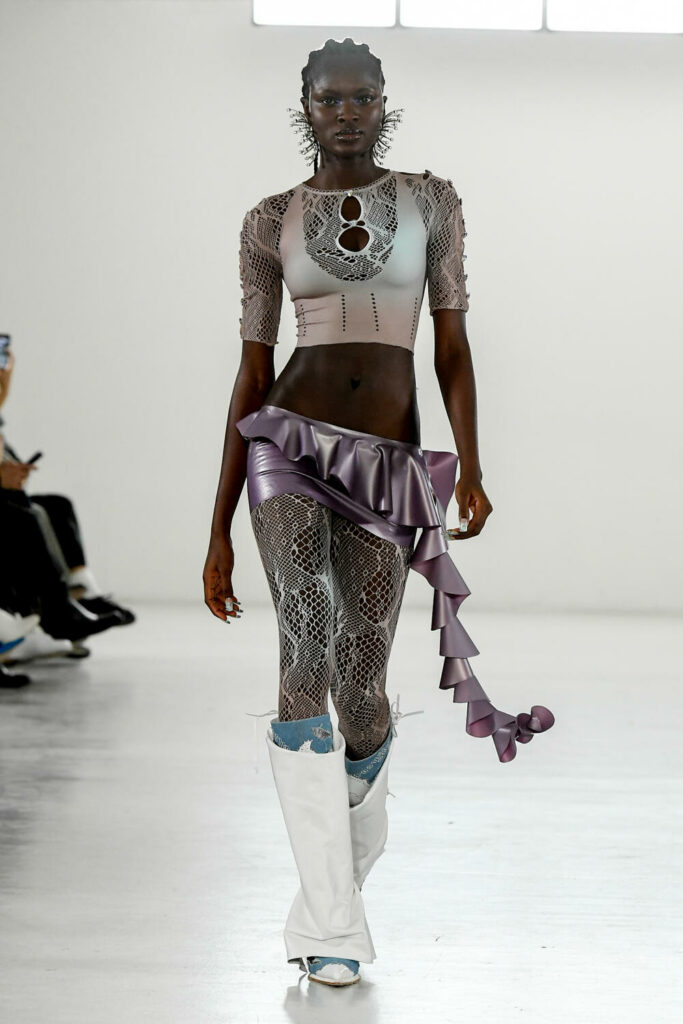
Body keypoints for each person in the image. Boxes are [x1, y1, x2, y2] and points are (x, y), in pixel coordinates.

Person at [203, 38, 555, 988]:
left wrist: (469, 462)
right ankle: (333, 928)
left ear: (383, 104)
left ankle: (330, 903)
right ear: (306, 106)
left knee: (361, 686)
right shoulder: (270, 221)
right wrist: (216, 528)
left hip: (388, 463)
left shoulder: (431, 204)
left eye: (363, 98)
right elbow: (250, 372)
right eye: (331, 99)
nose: (347, 112)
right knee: (304, 646)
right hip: (286, 447)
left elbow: (451, 348)